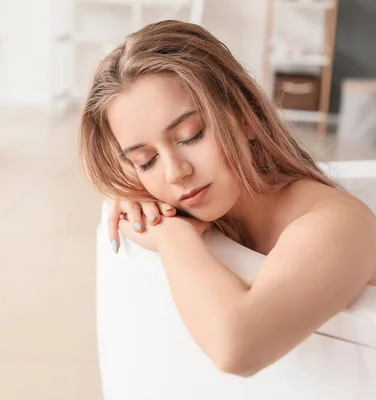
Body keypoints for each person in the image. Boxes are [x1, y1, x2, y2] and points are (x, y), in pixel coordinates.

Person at [79, 20, 376, 377]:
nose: (175, 173)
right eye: (147, 160)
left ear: (245, 116)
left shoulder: (336, 222)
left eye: (191, 135)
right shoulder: (203, 207)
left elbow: (236, 347)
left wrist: (172, 235)